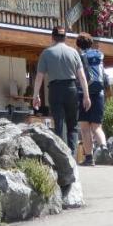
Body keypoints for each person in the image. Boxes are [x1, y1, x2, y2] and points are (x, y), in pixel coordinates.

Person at [31, 26, 91, 156]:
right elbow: (82, 76)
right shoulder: (74, 53)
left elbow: (39, 77)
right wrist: (86, 96)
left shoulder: (46, 53)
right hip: (71, 88)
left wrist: (36, 96)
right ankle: (72, 155)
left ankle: (61, 156)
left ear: (52, 37)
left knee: (59, 123)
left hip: (55, 89)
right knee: (73, 125)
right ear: (66, 38)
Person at [75, 33, 110, 165]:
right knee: (97, 127)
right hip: (99, 93)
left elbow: (80, 76)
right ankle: (104, 147)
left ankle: (89, 158)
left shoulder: (79, 56)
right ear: (91, 43)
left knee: (85, 128)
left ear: (78, 44)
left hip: (84, 93)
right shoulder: (99, 55)